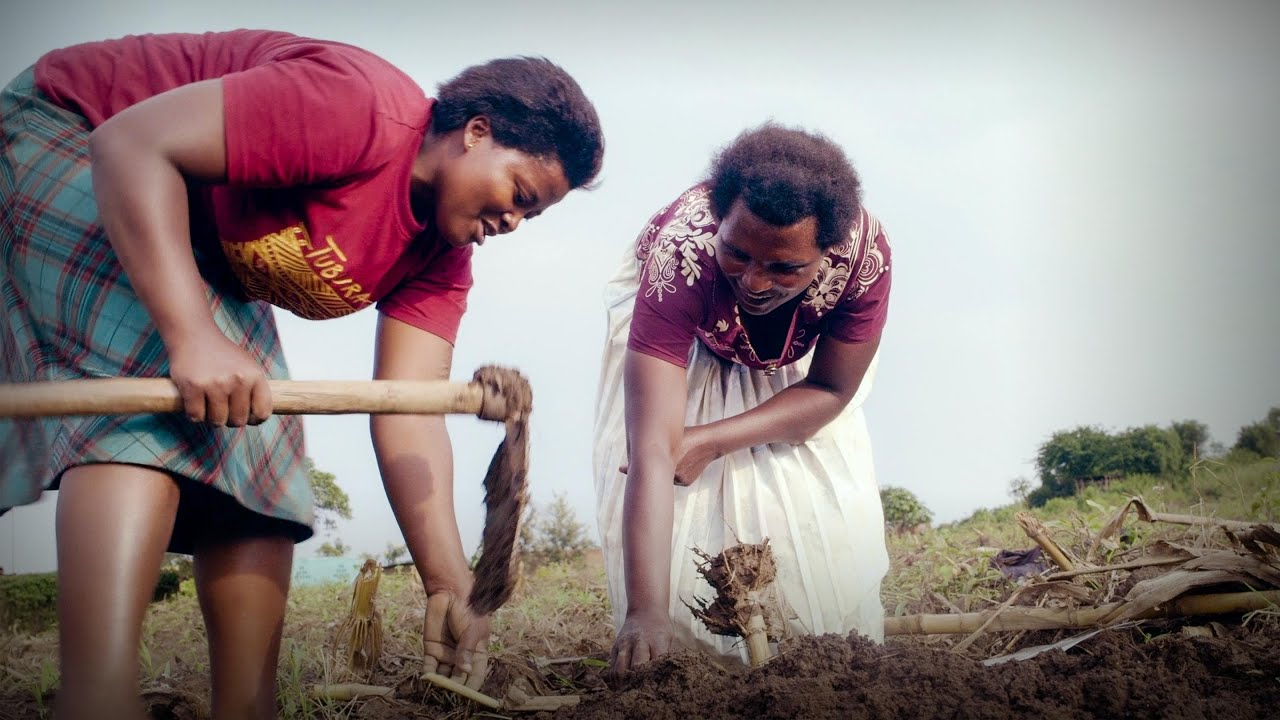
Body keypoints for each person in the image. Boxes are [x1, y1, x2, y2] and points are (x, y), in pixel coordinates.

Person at [0, 29, 603, 719]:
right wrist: (192, 335)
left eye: (532, 214)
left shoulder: (440, 258)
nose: (514, 222)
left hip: (189, 227)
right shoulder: (358, 109)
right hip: (71, 130)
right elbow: (130, 145)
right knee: (148, 393)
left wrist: (447, 582)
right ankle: (96, 698)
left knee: (263, 450)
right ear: (475, 132)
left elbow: (408, 408)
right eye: (520, 193)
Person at [592, 123, 890, 672]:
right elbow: (654, 447)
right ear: (719, 224)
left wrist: (711, 440)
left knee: (817, 533)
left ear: (826, 252)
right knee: (680, 537)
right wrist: (645, 612)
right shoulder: (681, 257)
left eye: (784, 267)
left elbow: (830, 388)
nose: (754, 282)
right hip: (690, 340)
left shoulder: (863, 259)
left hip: (797, 370)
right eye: (738, 253)